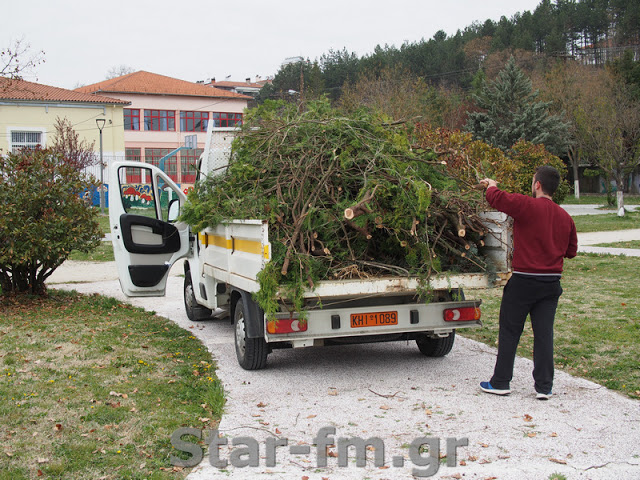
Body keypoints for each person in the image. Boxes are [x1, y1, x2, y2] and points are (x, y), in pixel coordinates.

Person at [479, 166, 578, 400]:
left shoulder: (527, 206)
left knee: (510, 331)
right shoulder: (566, 217)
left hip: (524, 281)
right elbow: (571, 251)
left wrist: (491, 185)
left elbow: (498, 199)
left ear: (537, 185)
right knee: (544, 334)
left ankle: (501, 382)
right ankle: (544, 387)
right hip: (551, 284)